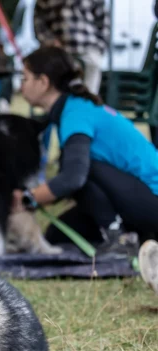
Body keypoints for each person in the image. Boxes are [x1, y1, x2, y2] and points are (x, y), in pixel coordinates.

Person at [16, 46, 158, 253]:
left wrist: (28, 199)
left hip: (151, 201)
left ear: (44, 82)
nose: (21, 87)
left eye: (25, 78)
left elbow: (73, 178)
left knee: (78, 166)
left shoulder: (76, 113)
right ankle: (135, 236)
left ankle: (120, 239)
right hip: (135, 197)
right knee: (56, 236)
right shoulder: (74, 108)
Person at [34, 0, 109, 94]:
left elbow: (103, 20)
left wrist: (99, 47)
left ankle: (86, 107)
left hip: (89, 47)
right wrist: (49, 42)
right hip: (59, 50)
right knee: (58, 92)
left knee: (89, 93)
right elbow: (39, 22)